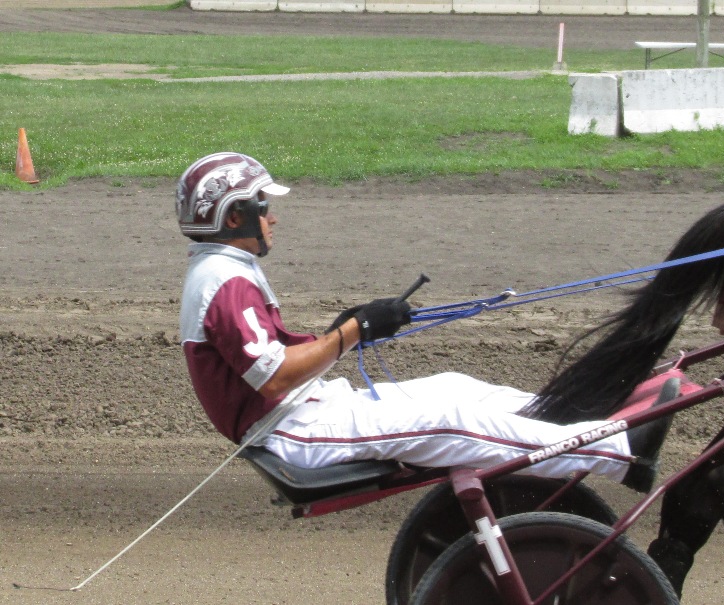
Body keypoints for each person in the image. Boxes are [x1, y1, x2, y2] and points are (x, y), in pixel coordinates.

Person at [175, 152, 670, 491]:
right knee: (448, 422)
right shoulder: (224, 280)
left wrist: (346, 329)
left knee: (456, 387)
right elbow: (274, 377)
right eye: (264, 207)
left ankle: (587, 423)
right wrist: (355, 330)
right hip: (289, 433)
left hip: (307, 410)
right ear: (234, 216)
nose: (273, 218)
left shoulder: (225, 270)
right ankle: (618, 453)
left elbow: (273, 358)